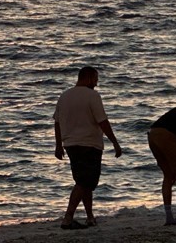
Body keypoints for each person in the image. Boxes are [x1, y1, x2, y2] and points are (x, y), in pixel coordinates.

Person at [53, 66, 123, 230]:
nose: (97, 83)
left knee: (84, 181)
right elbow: (102, 121)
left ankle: (90, 217)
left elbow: (57, 122)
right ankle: (68, 217)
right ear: (89, 77)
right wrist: (115, 142)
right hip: (89, 144)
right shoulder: (92, 95)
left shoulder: (64, 96)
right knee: (86, 181)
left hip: (70, 144)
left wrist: (58, 145)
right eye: (96, 79)